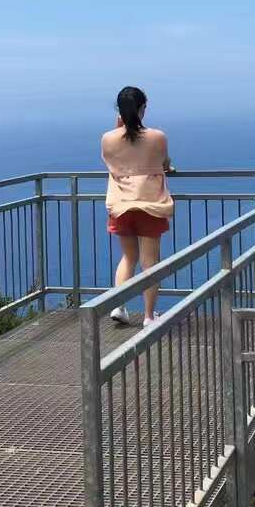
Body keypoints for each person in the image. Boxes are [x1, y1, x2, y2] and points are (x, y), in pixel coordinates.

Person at [101, 86, 174, 327]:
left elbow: (114, 160)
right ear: (142, 109)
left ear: (120, 112)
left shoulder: (108, 139)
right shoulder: (157, 137)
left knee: (128, 256)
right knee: (149, 262)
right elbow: (164, 163)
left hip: (121, 205)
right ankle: (149, 317)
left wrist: (118, 127)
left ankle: (119, 306)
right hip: (150, 204)